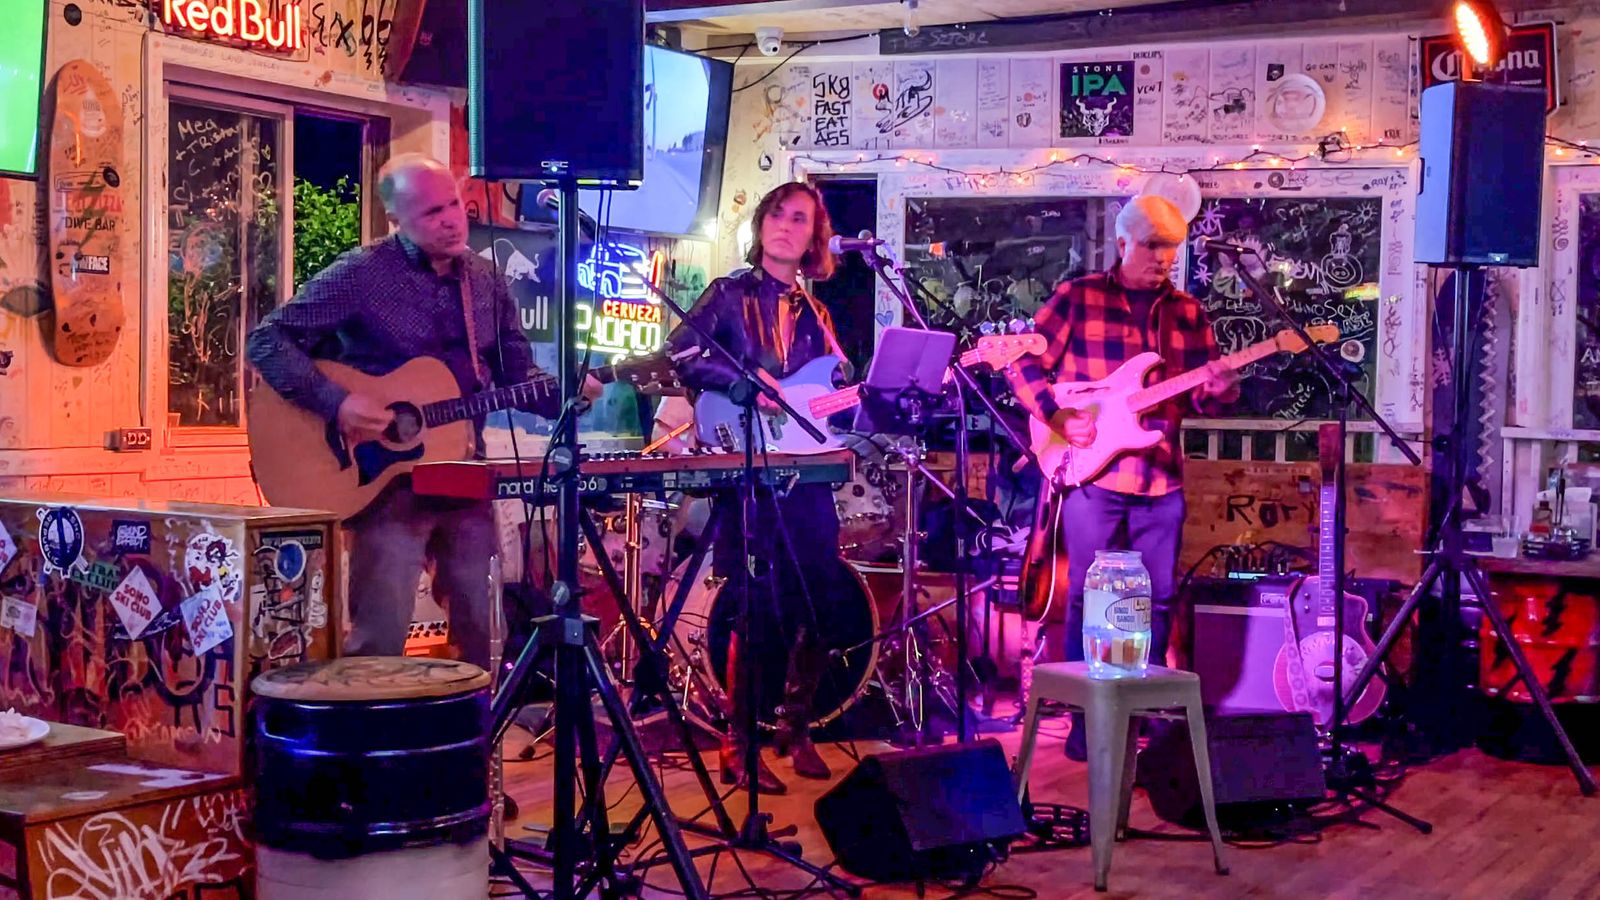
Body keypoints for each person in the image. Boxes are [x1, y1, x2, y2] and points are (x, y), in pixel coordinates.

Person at [246, 153, 582, 670]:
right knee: (380, 636)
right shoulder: (362, 274)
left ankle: (474, 720)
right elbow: (267, 341)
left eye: (454, 205)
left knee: (484, 629)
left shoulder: (487, 281)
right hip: (383, 483)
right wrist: (338, 403)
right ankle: (372, 723)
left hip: (462, 474)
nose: (451, 220)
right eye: (431, 212)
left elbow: (519, 377)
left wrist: (572, 393)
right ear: (396, 219)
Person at [1007, 195, 1239, 759]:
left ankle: (1144, 716)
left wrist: (1220, 389)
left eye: (1171, 248)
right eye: (1153, 246)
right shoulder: (1078, 297)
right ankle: (1087, 725)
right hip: (1094, 479)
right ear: (1123, 243)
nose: (1163, 258)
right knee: (1089, 598)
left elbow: (1202, 400)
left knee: (1157, 600)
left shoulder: (1188, 313)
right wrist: (1056, 416)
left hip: (1161, 479)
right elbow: (1023, 362)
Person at [666, 181, 849, 794]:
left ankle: (795, 727)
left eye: (801, 219)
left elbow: (827, 396)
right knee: (757, 608)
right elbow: (679, 353)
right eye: (778, 214)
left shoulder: (817, 315)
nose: (787, 226)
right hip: (747, 468)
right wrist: (743, 382)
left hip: (805, 472)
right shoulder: (728, 294)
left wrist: (869, 399)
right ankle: (738, 742)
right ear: (761, 223)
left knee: (821, 600)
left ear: (814, 238)